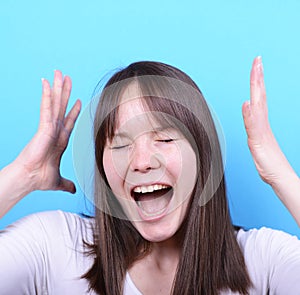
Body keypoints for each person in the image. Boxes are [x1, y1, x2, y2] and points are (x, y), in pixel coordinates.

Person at [0, 57, 299, 295]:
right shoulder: (54, 246)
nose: (141, 162)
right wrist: (21, 176)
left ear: (202, 159)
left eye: (165, 139)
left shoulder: (262, 260)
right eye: (120, 144)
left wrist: (280, 176)